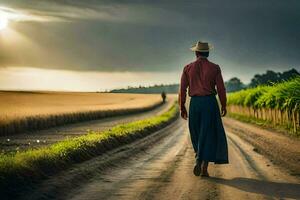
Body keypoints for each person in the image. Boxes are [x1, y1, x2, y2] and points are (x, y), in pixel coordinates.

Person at [179, 41, 229, 177]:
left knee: (196, 133)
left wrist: (182, 106)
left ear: (196, 53)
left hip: (194, 104)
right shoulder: (215, 68)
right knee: (208, 134)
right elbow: (221, 89)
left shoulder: (187, 68)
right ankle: (204, 168)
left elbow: (182, 89)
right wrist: (223, 104)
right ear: (208, 53)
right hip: (210, 103)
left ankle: (198, 158)